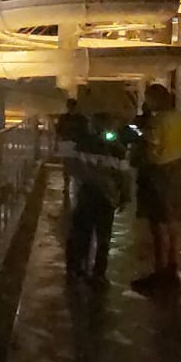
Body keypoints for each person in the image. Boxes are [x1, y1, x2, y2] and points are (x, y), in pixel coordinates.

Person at [132, 84, 181, 293]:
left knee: (158, 226)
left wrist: (140, 137)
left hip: (158, 174)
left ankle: (159, 273)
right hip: (176, 172)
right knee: (174, 223)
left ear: (155, 100)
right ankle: (172, 269)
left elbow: (150, 145)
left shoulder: (158, 121)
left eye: (148, 99)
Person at [66, 112, 131, 283]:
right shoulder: (118, 150)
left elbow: (72, 167)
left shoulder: (82, 145)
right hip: (107, 197)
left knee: (82, 233)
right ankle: (99, 273)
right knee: (103, 236)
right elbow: (124, 176)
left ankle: (77, 267)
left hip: (86, 195)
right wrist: (125, 196)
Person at [55, 97, 89, 209]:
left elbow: (58, 131)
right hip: (75, 144)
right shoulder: (81, 119)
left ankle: (68, 184)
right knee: (73, 164)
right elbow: (85, 131)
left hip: (68, 143)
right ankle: (72, 184)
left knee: (68, 165)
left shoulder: (65, 118)